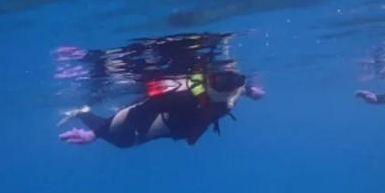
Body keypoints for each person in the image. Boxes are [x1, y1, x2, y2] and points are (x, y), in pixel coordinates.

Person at [58, 69, 264, 148]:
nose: (235, 86)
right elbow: (141, 110)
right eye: (220, 81)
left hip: (171, 126)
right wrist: (94, 134)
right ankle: (83, 112)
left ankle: (88, 116)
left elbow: (234, 90)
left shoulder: (232, 93)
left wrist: (250, 92)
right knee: (121, 140)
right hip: (157, 119)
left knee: (121, 140)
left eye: (238, 82)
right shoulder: (185, 98)